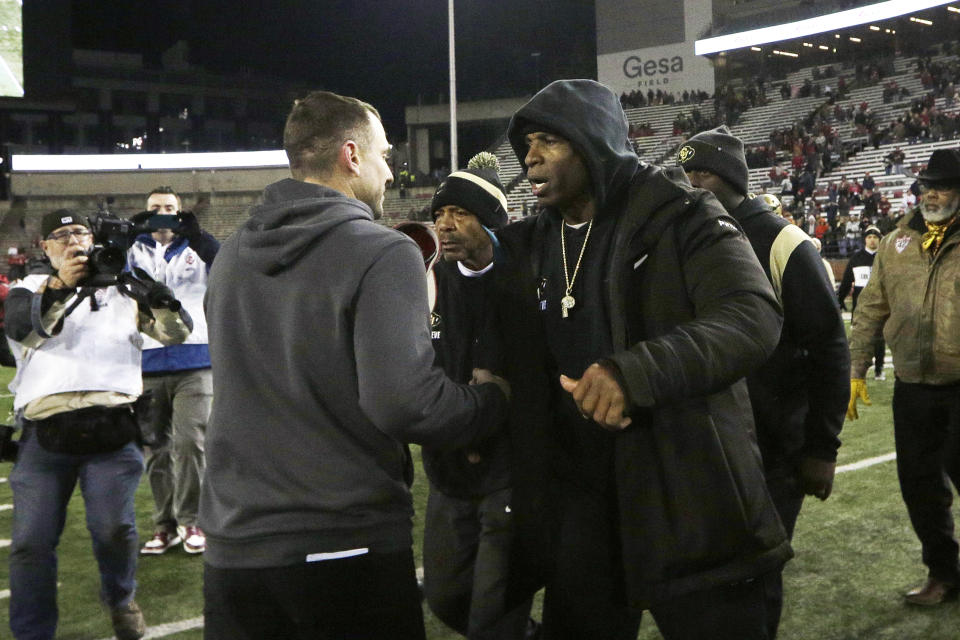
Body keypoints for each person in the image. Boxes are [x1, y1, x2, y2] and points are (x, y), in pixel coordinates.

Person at [199, 90, 511, 639]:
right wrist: (491, 398)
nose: (390, 172)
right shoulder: (381, 250)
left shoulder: (230, 253)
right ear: (351, 156)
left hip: (233, 550)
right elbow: (406, 404)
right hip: (343, 537)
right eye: (385, 154)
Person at [493, 79, 791, 640]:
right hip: (584, 508)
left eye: (547, 141)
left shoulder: (683, 214)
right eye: (527, 143)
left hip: (687, 488)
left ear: (593, 143)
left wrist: (633, 373)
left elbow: (752, 315)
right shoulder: (531, 242)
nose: (528, 157)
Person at [679, 125, 849, 637]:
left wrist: (822, 447)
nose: (691, 184)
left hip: (775, 446)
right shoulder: (692, 235)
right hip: (711, 439)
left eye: (701, 172)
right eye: (686, 173)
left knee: (757, 575)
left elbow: (830, 347)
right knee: (712, 573)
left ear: (730, 178)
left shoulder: (785, 242)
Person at [5, 209, 193, 640]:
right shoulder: (29, 288)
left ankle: (121, 597)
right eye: (62, 235)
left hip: (113, 427)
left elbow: (176, 333)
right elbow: (24, 330)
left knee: (114, 530)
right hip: (45, 431)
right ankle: (32, 633)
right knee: (31, 544)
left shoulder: (124, 289)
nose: (74, 241)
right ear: (45, 247)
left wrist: (158, 296)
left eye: (81, 233)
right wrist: (60, 287)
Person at [421, 152, 532, 639]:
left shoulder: (526, 279)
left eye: (459, 214)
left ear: (491, 222)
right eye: (440, 215)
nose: (444, 225)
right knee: (445, 598)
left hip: (509, 470)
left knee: (494, 614)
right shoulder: (429, 279)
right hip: (447, 471)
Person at [847, 148, 960, 606]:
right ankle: (943, 572)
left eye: (942, 186)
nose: (931, 194)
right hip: (912, 382)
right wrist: (855, 368)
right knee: (918, 483)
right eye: (926, 186)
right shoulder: (898, 241)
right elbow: (872, 305)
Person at [128, 187, 220, 557]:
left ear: (180, 212)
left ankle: (192, 519)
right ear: (145, 213)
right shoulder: (131, 251)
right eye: (155, 209)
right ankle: (164, 525)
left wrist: (197, 236)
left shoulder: (198, 248)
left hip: (196, 360)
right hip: (145, 362)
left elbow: (228, 262)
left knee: (190, 443)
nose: (162, 214)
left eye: (169, 208)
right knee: (156, 451)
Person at [837, 225, 886, 380]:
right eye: (869, 237)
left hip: (881, 307)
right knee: (859, 342)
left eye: (875, 237)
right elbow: (845, 283)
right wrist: (838, 301)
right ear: (865, 239)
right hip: (860, 309)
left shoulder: (885, 258)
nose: (872, 240)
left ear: (879, 239)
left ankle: (879, 369)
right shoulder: (856, 259)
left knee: (879, 341)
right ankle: (858, 373)